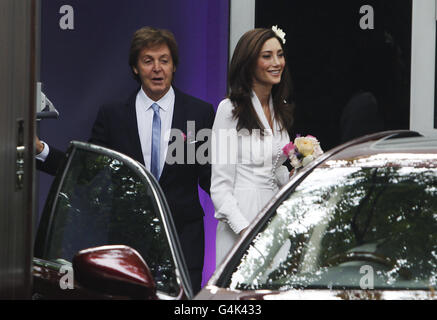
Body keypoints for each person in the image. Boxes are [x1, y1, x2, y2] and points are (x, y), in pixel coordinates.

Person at [36, 26, 215, 294]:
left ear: (174, 66)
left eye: (164, 60)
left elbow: (211, 176)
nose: (157, 68)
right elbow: (84, 172)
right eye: (148, 61)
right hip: (127, 245)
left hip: (183, 241)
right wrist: (40, 149)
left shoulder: (199, 113)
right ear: (135, 68)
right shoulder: (113, 115)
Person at [211, 27, 294, 266]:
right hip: (242, 221)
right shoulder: (229, 110)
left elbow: (276, 171)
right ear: (249, 63)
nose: (276, 62)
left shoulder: (279, 111)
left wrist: (304, 172)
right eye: (267, 56)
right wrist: (245, 230)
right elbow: (219, 187)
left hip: (273, 220)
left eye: (280, 54)